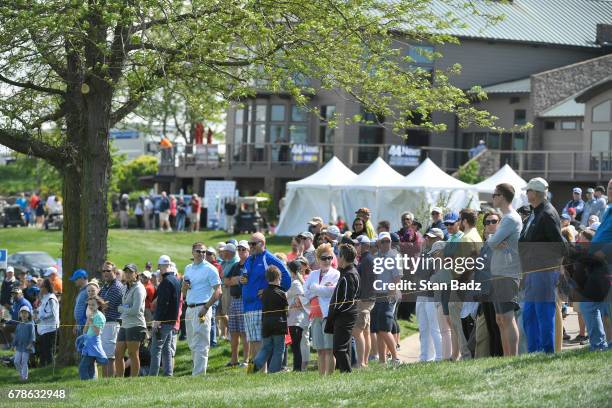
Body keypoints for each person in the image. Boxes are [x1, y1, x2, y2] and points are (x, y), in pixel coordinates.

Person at [519, 177, 565, 354]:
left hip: (544, 272)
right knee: (529, 315)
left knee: (544, 314)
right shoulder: (535, 212)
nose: (526, 193)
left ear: (535, 193)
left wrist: (551, 268)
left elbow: (559, 245)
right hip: (532, 272)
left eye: (528, 191)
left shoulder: (547, 214)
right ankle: (534, 352)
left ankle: (547, 352)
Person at [241, 233, 291, 363]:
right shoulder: (249, 259)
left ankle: (261, 373)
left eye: (253, 244)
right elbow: (247, 277)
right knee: (253, 342)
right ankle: (255, 372)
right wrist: (242, 280)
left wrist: (271, 292)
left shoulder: (269, 258)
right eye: (249, 244)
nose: (250, 246)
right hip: (247, 307)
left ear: (262, 244)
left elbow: (286, 278)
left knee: (260, 343)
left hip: (260, 306)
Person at [487, 183, 522, 356]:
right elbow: (492, 241)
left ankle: (512, 357)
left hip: (507, 273)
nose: (493, 198)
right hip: (499, 272)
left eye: (494, 194)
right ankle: (505, 357)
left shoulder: (510, 219)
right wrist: (492, 239)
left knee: (507, 318)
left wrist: (492, 238)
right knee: (500, 319)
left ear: (501, 196)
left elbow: (491, 242)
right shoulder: (505, 218)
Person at [182, 242, 222, 376]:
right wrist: (184, 287)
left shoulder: (210, 269)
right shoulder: (188, 268)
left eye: (204, 252)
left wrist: (206, 307)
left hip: (202, 307)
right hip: (189, 307)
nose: (202, 254)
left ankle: (198, 375)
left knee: (201, 342)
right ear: (193, 252)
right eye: (199, 251)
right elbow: (183, 291)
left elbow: (218, 291)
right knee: (192, 341)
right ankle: (197, 371)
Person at [304, 243, 340, 375]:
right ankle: (321, 377)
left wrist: (315, 288)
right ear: (318, 259)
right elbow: (305, 292)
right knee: (320, 350)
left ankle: (329, 377)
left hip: (328, 315)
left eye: (329, 257)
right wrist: (321, 289)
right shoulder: (313, 274)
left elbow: (332, 292)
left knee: (329, 348)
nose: (327, 261)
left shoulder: (336, 274)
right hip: (314, 315)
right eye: (324, 258)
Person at [473, 210, 504, 359]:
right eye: (487, 222)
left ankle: (500, 357)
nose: (490, 224)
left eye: (494, 221)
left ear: (500, 224)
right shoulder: (486, 244)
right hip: (485, 293)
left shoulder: (503, 242)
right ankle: (493, 357)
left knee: (499, 328)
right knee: (491, 329)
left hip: (498, 291)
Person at [325, 244, 360, 373]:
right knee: (344, 347)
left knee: (338, 348)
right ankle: (346, 373)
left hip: (345, 315)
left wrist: (335, 311)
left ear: (343, 257)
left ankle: (346, 373)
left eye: (338, 255)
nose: (337, 258)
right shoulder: (347, 272)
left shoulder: (348, 275)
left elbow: (346, 300)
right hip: (346, 315)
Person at [372, 232, 402, 365]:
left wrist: (391, 290)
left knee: (384, 328)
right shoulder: (376, 256)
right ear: (378, 243)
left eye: (387, 241)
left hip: (389, 295)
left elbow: (397, 277)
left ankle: (395, 358)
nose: (385, 244)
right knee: (379, 329)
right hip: (378, 295)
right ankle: (382, 360)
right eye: (383, 241)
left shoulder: (394, 256)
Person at [252, 266, 288, 374]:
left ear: (267, 278)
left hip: (266, 323)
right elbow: (287, 310)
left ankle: (253, 366)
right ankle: (273, 372)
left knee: (265, 348)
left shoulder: (263, 293)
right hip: (279, 323)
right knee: (278, 349)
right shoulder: (282, 293)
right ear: (278, 277)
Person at [149, 255, 181, 376]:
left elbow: (163, 303)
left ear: (161, 266)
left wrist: (157, 320)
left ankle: (152, 376)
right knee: (166, 348)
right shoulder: (176, 280)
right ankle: (168, 373)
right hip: (172, 320)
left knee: (156, 349)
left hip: (164, 321)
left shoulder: (166, 282)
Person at [115, 264, 147, 377]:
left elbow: (135, 310)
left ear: (136, 274)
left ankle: (133, 380)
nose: (128, 274)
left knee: (133, 354)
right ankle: (119, 380)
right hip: (124, 324)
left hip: (136, 324)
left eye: (130, 272)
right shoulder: (125, 287)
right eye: (126, 272)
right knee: (118, 353)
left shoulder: (139, 288)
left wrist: (122, 309)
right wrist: (124, 309)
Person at [415, 236, 444, 362]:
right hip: (421, 296)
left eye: (431, 238)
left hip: (432, 297)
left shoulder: (438, 260)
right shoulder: (425, 256)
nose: (427, 240)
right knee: (423, 328)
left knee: (434, 328)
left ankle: (439, 356)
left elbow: (432, 279)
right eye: (427, 238)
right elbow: (416, 275)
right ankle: (425, 357)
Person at [225, 241, 250, 367]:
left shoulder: (250, 264)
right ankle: (234, 360)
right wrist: (236, 280)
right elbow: (226, 280)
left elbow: (246, 281)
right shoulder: (235, 266)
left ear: (248, 250)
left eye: (243, 249)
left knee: (244, 332)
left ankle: (246, 360)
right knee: (233, 331)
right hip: (234, 300)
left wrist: (235, 280)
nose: (240, 251)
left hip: (244, 300)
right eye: (239, 249)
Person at [353, 235, 376, 368]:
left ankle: (361, 363)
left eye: (357, 245)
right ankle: (364, 361)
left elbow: (365, 282)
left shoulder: (366, 260)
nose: (356, 247)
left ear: (365, 245)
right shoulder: (366, 259)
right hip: (367, 299)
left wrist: (361, 297)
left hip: (364, 300)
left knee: (358, 331)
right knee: (365, 332)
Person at [99, 261, 124, 377]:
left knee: (110, 356)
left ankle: (109, 381)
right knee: (104, 354)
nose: (105, 273)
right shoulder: (105, 286)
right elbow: (100, 303)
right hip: (105, 323)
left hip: (113, 323)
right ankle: (105, 380)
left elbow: (105, 305)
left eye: (108, 270)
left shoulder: (117, 286)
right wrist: (100, 303)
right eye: (103, 271)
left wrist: (97, 301)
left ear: (114, 272)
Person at [286, 260, 309, 372]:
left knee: (296, 346)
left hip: (297, 319)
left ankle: (298, 368)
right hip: (296, 318)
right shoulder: (297, 282)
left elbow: (287, 295)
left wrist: (297, 300)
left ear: (292, 272)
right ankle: (298, 367)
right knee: (297, 345)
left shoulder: (295, 283)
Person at [78, 295, 108, 380]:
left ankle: (85, 384)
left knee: (83, 367)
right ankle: (92, 383)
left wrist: (91, 321)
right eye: (89, 305)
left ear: (98, 305)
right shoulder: (92, 315)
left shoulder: (99, 316)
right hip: (88, 343)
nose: (90, 306)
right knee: (90, 366)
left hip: (93, 344)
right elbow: (84, 331)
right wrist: (88, 321)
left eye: (93, 305)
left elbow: (97, 332)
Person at [35, 279, 59, 367]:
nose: (40, 289)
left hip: (50, 329)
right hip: (43, 329)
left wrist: (40, 318)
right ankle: (43, 368)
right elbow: (42, 311)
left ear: (46, 288)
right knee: (43, 350)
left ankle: (50, 368)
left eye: (41, 287)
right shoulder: (44, 297)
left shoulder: (51, 298)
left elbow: (53, 314)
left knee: (48, 351)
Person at [12, 306, 35, 381]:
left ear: (29, 314)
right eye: (22, 313)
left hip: (27, 347)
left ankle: (24, 378)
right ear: (20, 315)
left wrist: (31, 344)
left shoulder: (30, 324)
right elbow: (16, 336)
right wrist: (13, 345)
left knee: (24, 361)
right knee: (16, 361)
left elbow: (32, 335)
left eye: (25, 313)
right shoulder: (19, 325)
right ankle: (21, 374)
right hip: (19, 346)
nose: (24, 314)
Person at [71, 269, 89, 335]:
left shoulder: (89, 290)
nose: (74, 281)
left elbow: (91, 307)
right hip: (80, 325)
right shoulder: (82, 291)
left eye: (75, 279)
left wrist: (86, 323)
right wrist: (76, 324)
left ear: (81, 278)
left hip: (85, 325)